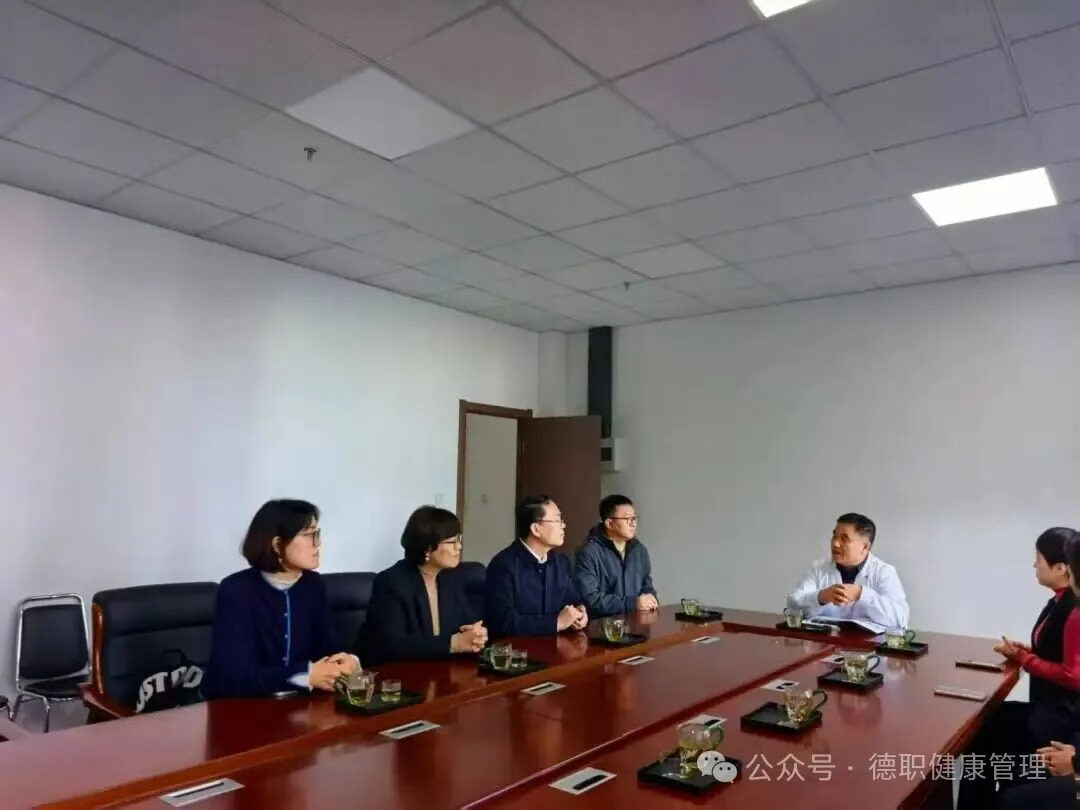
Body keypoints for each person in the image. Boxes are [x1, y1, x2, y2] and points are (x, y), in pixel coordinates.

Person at [959, 527, 1080, 809]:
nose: (1034, 565)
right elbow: (1059, 651)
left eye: (1038, 558)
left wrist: (1025, 659)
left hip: (1060, 715)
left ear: (1061, 568)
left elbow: (1073, 675)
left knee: (989, 734)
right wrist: (1026, 651)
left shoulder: (1073, 609)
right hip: (1048, 707)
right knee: (984, 725)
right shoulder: (1058, 601)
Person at [204, 499, 359, 699]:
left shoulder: (313, 585)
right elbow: (232, 677)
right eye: (309, 535)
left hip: (301, 706)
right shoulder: (236, 591)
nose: (318, 543)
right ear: (277, 545)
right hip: (244, 709)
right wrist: (305, 675)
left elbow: (327, 652)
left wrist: (347, 662)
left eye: (317, 534)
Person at [356, 506, 487, 666]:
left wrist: (475, 634)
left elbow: (466, 622)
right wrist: (453, 644)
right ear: (428, 548)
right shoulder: (391, 582)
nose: (459, 547)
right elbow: (393, 645)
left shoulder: (451, 577)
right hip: (397, 673)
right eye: (452, 542)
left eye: (459, 539)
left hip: (440, 669)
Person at [485, 495, 588, 637]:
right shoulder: (503, 565)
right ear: (536, 529)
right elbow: (503, 623)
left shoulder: (560, 561)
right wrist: (556, 623)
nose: (563, 525)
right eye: (558, 520)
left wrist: (580, 612)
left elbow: (573, 600)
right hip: (519, 648)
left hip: (558, 644)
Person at [785, 513, 909, 628]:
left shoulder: (884, 572)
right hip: (824, 641)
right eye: (834, 536)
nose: (835, 543)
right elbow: (792, 604)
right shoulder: (819, 568)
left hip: (867, 643)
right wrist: (820, 597)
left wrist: (861, 594)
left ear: (865, 547)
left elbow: (900, 619)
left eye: (844, 539)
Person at [574, 494, 658, 617]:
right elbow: (590, 599)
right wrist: (631, 604)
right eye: (627, 518)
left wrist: (651, 598)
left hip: (636, 623)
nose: (633, 524)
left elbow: (647, 585)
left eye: (634, 518)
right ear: (609, 523)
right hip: (602, 625)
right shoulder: (588, 552)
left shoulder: (639, 550)